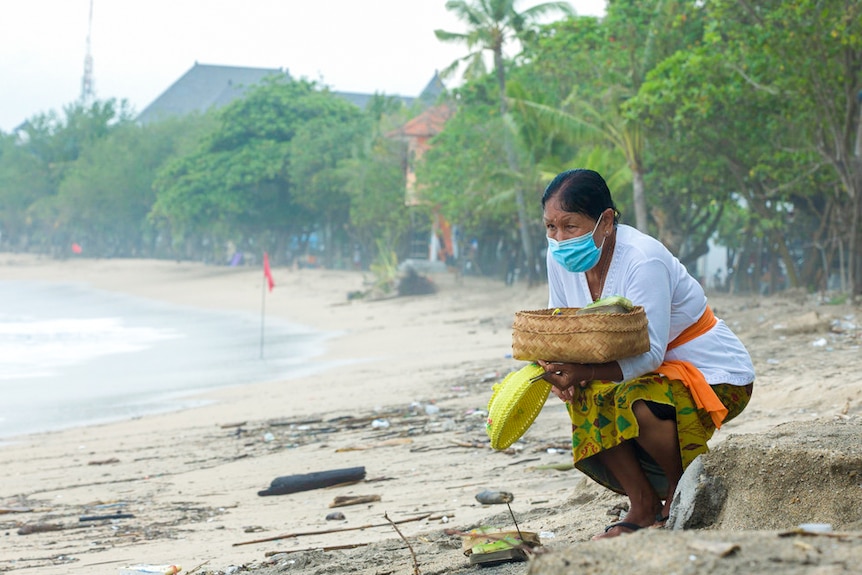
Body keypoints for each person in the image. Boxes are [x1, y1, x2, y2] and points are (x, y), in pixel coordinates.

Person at [536, 169, 755, 539]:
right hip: (641, 369)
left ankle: (678, 490)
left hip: (714, 374)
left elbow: (650, 356)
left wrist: (585, 372)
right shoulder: (558, 256)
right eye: (550, 227)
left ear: (605, 221)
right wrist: (556, 368)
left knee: (633, 398)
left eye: (570, 226)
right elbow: (562, 323)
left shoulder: (643, 259)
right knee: (589, 396)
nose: (558, 239)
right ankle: (642, 504)